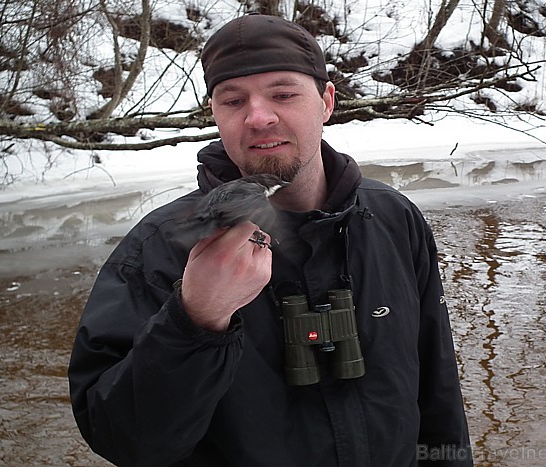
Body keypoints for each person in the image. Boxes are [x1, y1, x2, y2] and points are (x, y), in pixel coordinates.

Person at [68, 13, 472, 466]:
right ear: (215, 114)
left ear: (326, 102)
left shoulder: (394, 220)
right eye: (233, 100)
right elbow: (125, 441)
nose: (259, 117)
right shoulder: (158, 250)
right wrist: (195, 319)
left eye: (283, 94)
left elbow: (439, 396)